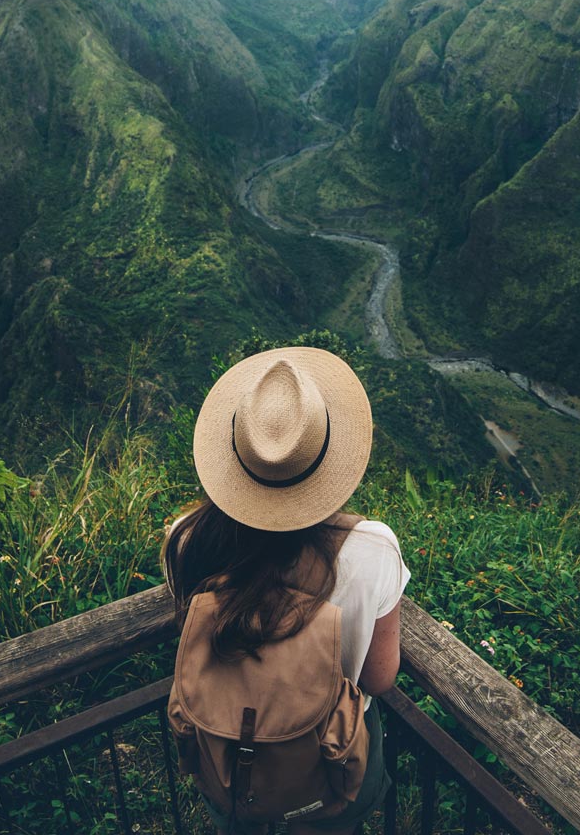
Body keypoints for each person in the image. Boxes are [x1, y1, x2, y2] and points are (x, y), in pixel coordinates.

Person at [163, 345, 409, 833]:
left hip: (228, 759)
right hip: (331, 768)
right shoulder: (374, 549)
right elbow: (379, 679)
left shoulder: (185, 538)